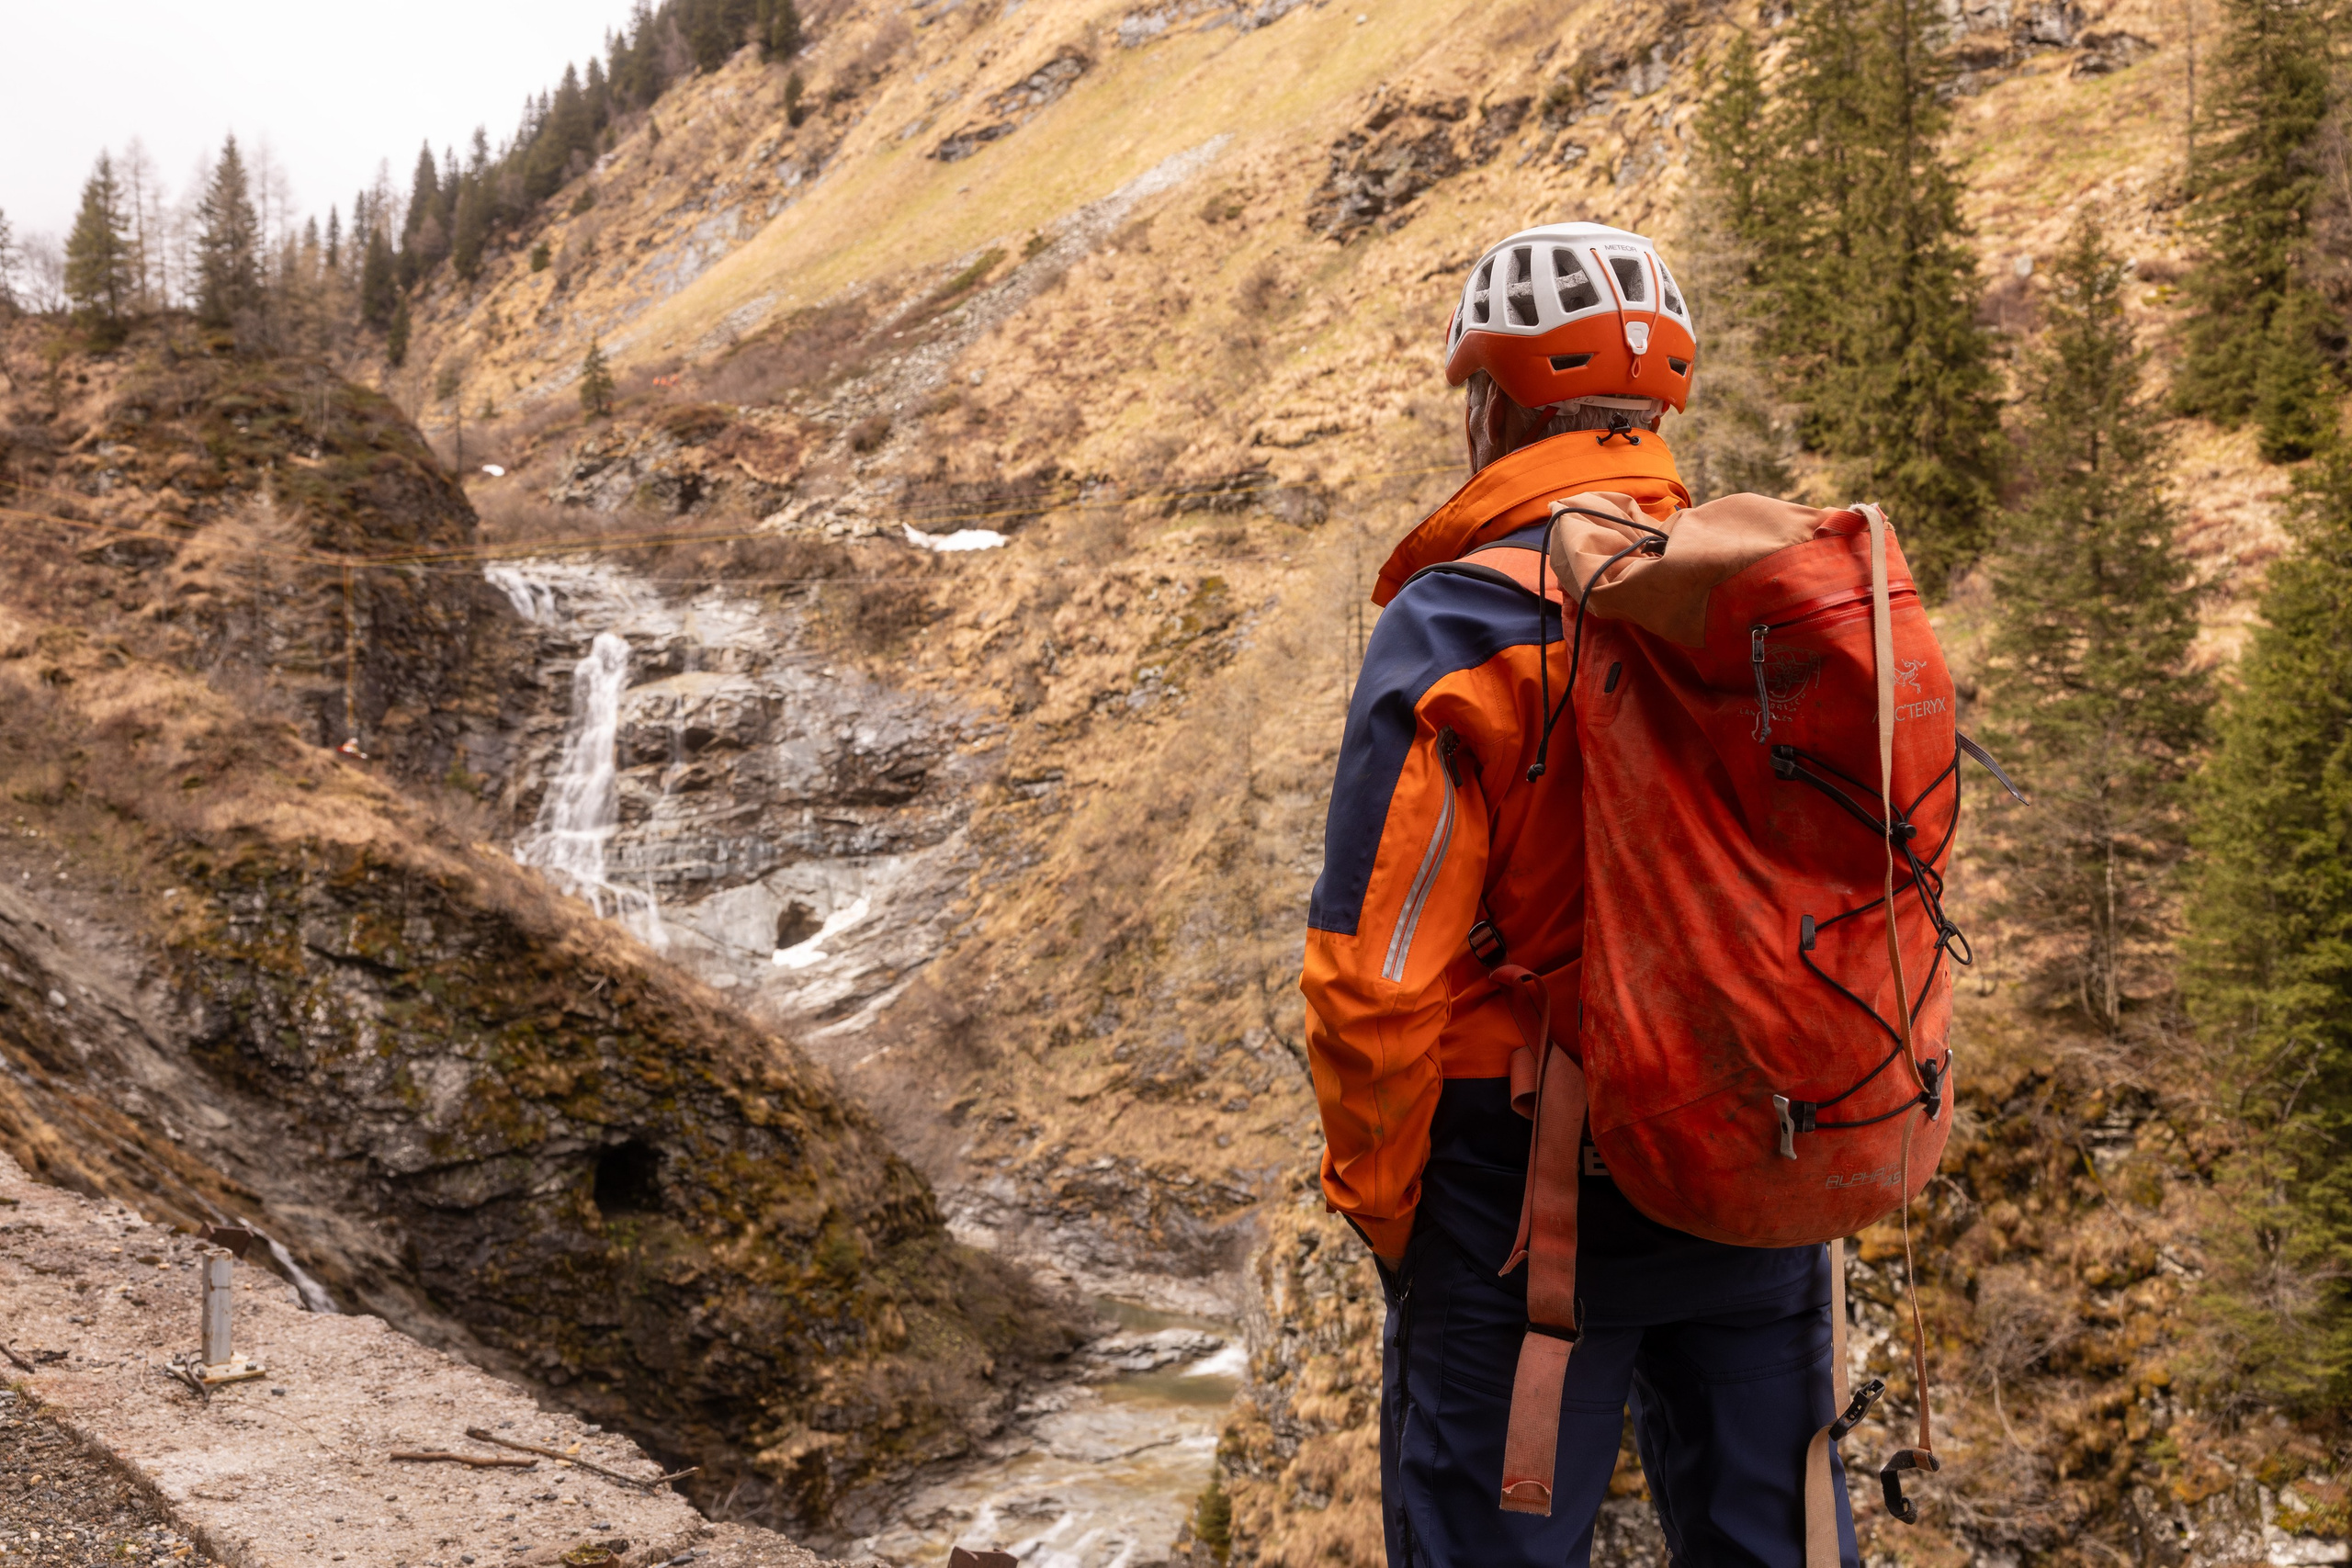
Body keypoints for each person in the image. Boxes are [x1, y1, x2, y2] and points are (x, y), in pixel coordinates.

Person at [1300, 222, 1860, 1567]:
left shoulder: (1457, 628)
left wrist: (1393, 1211)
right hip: (1759, 1156)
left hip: (1527, 1200)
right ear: (1660, 407)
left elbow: (1373, 980)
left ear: (1491, 404)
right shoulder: (1767, 601)